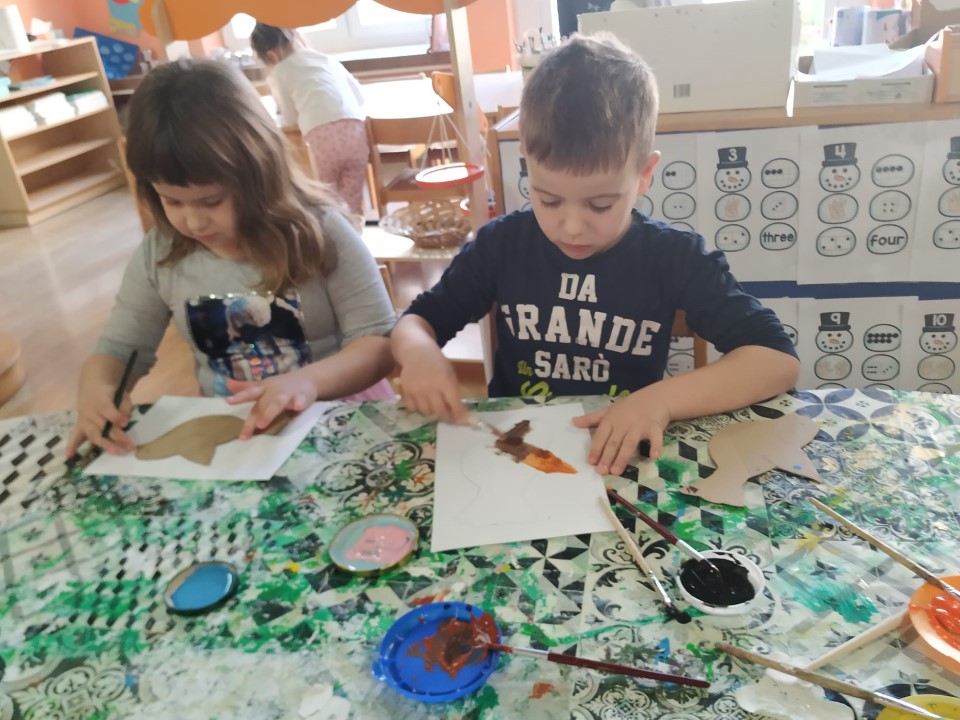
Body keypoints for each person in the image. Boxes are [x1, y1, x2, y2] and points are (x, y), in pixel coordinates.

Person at [391, 33, 800, 478]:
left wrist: (659, 401)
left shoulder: (672, 256)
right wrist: (419, 353)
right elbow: (417, 321)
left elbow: (775, 359)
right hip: (517, 455)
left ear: (643, 175)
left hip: (617, 458)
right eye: (548, 199)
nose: (571, 226)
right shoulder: (501, 245)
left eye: (601, 205)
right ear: (527, 163)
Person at [66, 59, 396, 458]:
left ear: (259, 174)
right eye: (172, 201)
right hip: (235, 439)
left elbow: (378, 342)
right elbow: (119, 349)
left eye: (211, 201)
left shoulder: (321, 233)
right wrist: (97, 389)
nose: (192, 221)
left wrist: (307, 382)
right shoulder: (161, 252)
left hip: (341, 422)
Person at [250, 23, 368, 217]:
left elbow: (290, 118)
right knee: (352, 202)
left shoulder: (280, 71)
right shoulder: (326, 59)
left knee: (324, 201)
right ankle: (355, 229)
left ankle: (332, 232)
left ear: (271, 55)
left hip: (322, 140)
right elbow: (359, 97)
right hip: (355, 133)